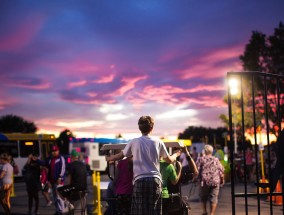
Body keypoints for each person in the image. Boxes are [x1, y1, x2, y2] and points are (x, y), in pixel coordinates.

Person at [106, 115, 181, 215]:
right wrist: (176, 154)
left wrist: (110, 158)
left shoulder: (134, 142)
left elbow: (121, 155)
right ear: (152, 127)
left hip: (139, 180)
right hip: (155, 180)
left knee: (139, 211)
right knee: (154, 211)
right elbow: (169, 160)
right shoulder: (158, 142)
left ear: (139, 128)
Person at [37, 145, 66, 215]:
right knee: (55, 197)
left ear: (58, 151)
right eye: (53, 151)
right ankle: (58, 210)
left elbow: (63, 168)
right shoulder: (50, 159)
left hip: (59, 181)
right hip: (52, 181)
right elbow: (45, 163)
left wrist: (60, 177)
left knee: (59, 196)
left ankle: (63, 211)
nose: (54, 152)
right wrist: (37, 160)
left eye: (55, 151)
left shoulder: (60, 158)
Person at [196, 144, 224, 215]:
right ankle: (212, 214)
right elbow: (221, 170)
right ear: (212, 151)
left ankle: (204, 212)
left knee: (203, 197)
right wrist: (222, 179)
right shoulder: (216, 159)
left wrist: (196, 179)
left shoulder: (200, 159)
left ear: (204, 151)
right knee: (214, 198)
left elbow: (197, 170)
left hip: (204, 182)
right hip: (215, 181)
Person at [57, 149, 87, 214]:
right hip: (84, 189)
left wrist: (67, 187)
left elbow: (69, 181)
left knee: (59, 189)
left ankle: (68, 204)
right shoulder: (83, 165)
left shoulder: (70, 165)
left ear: (72, 157)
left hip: (75, 188)